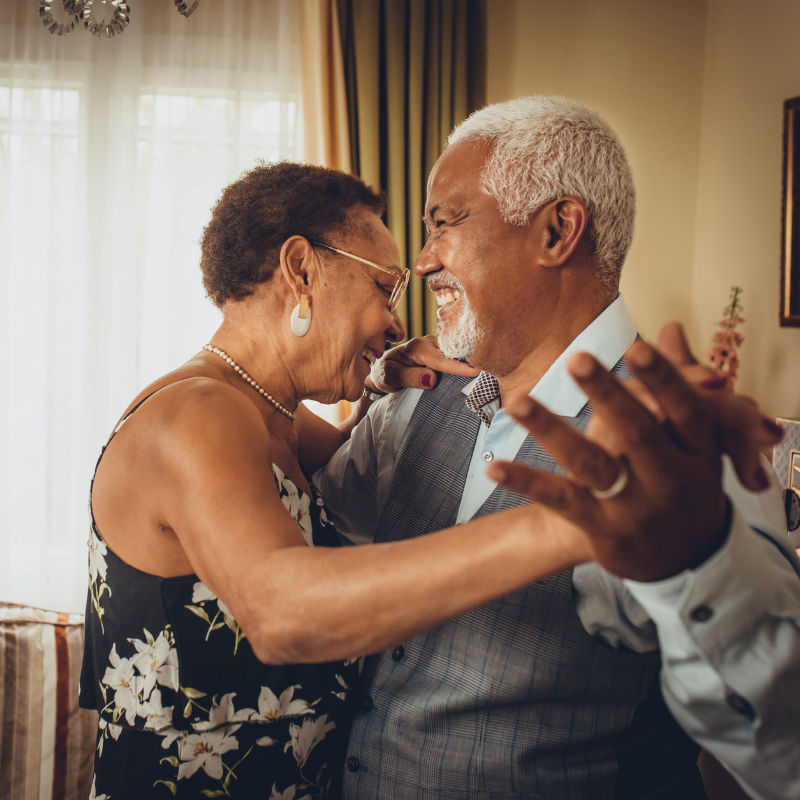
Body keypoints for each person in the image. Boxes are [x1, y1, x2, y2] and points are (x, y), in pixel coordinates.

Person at [81, 161, 672, 800]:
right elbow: (282, 612)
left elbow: (349, 506)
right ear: (301, 269)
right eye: (384, 289)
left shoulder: (274, 417)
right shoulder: (195, 415)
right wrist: (563, 520)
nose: (396, 323)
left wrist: (376, 390)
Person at [313, 97, 800, 800]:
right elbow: (309, 525)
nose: (422, 263)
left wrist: (702, 556)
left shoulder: (678, 443)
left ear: (557, 231)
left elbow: (780, 746)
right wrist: (361, 383)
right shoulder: (414, 397)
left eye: (444, 222)